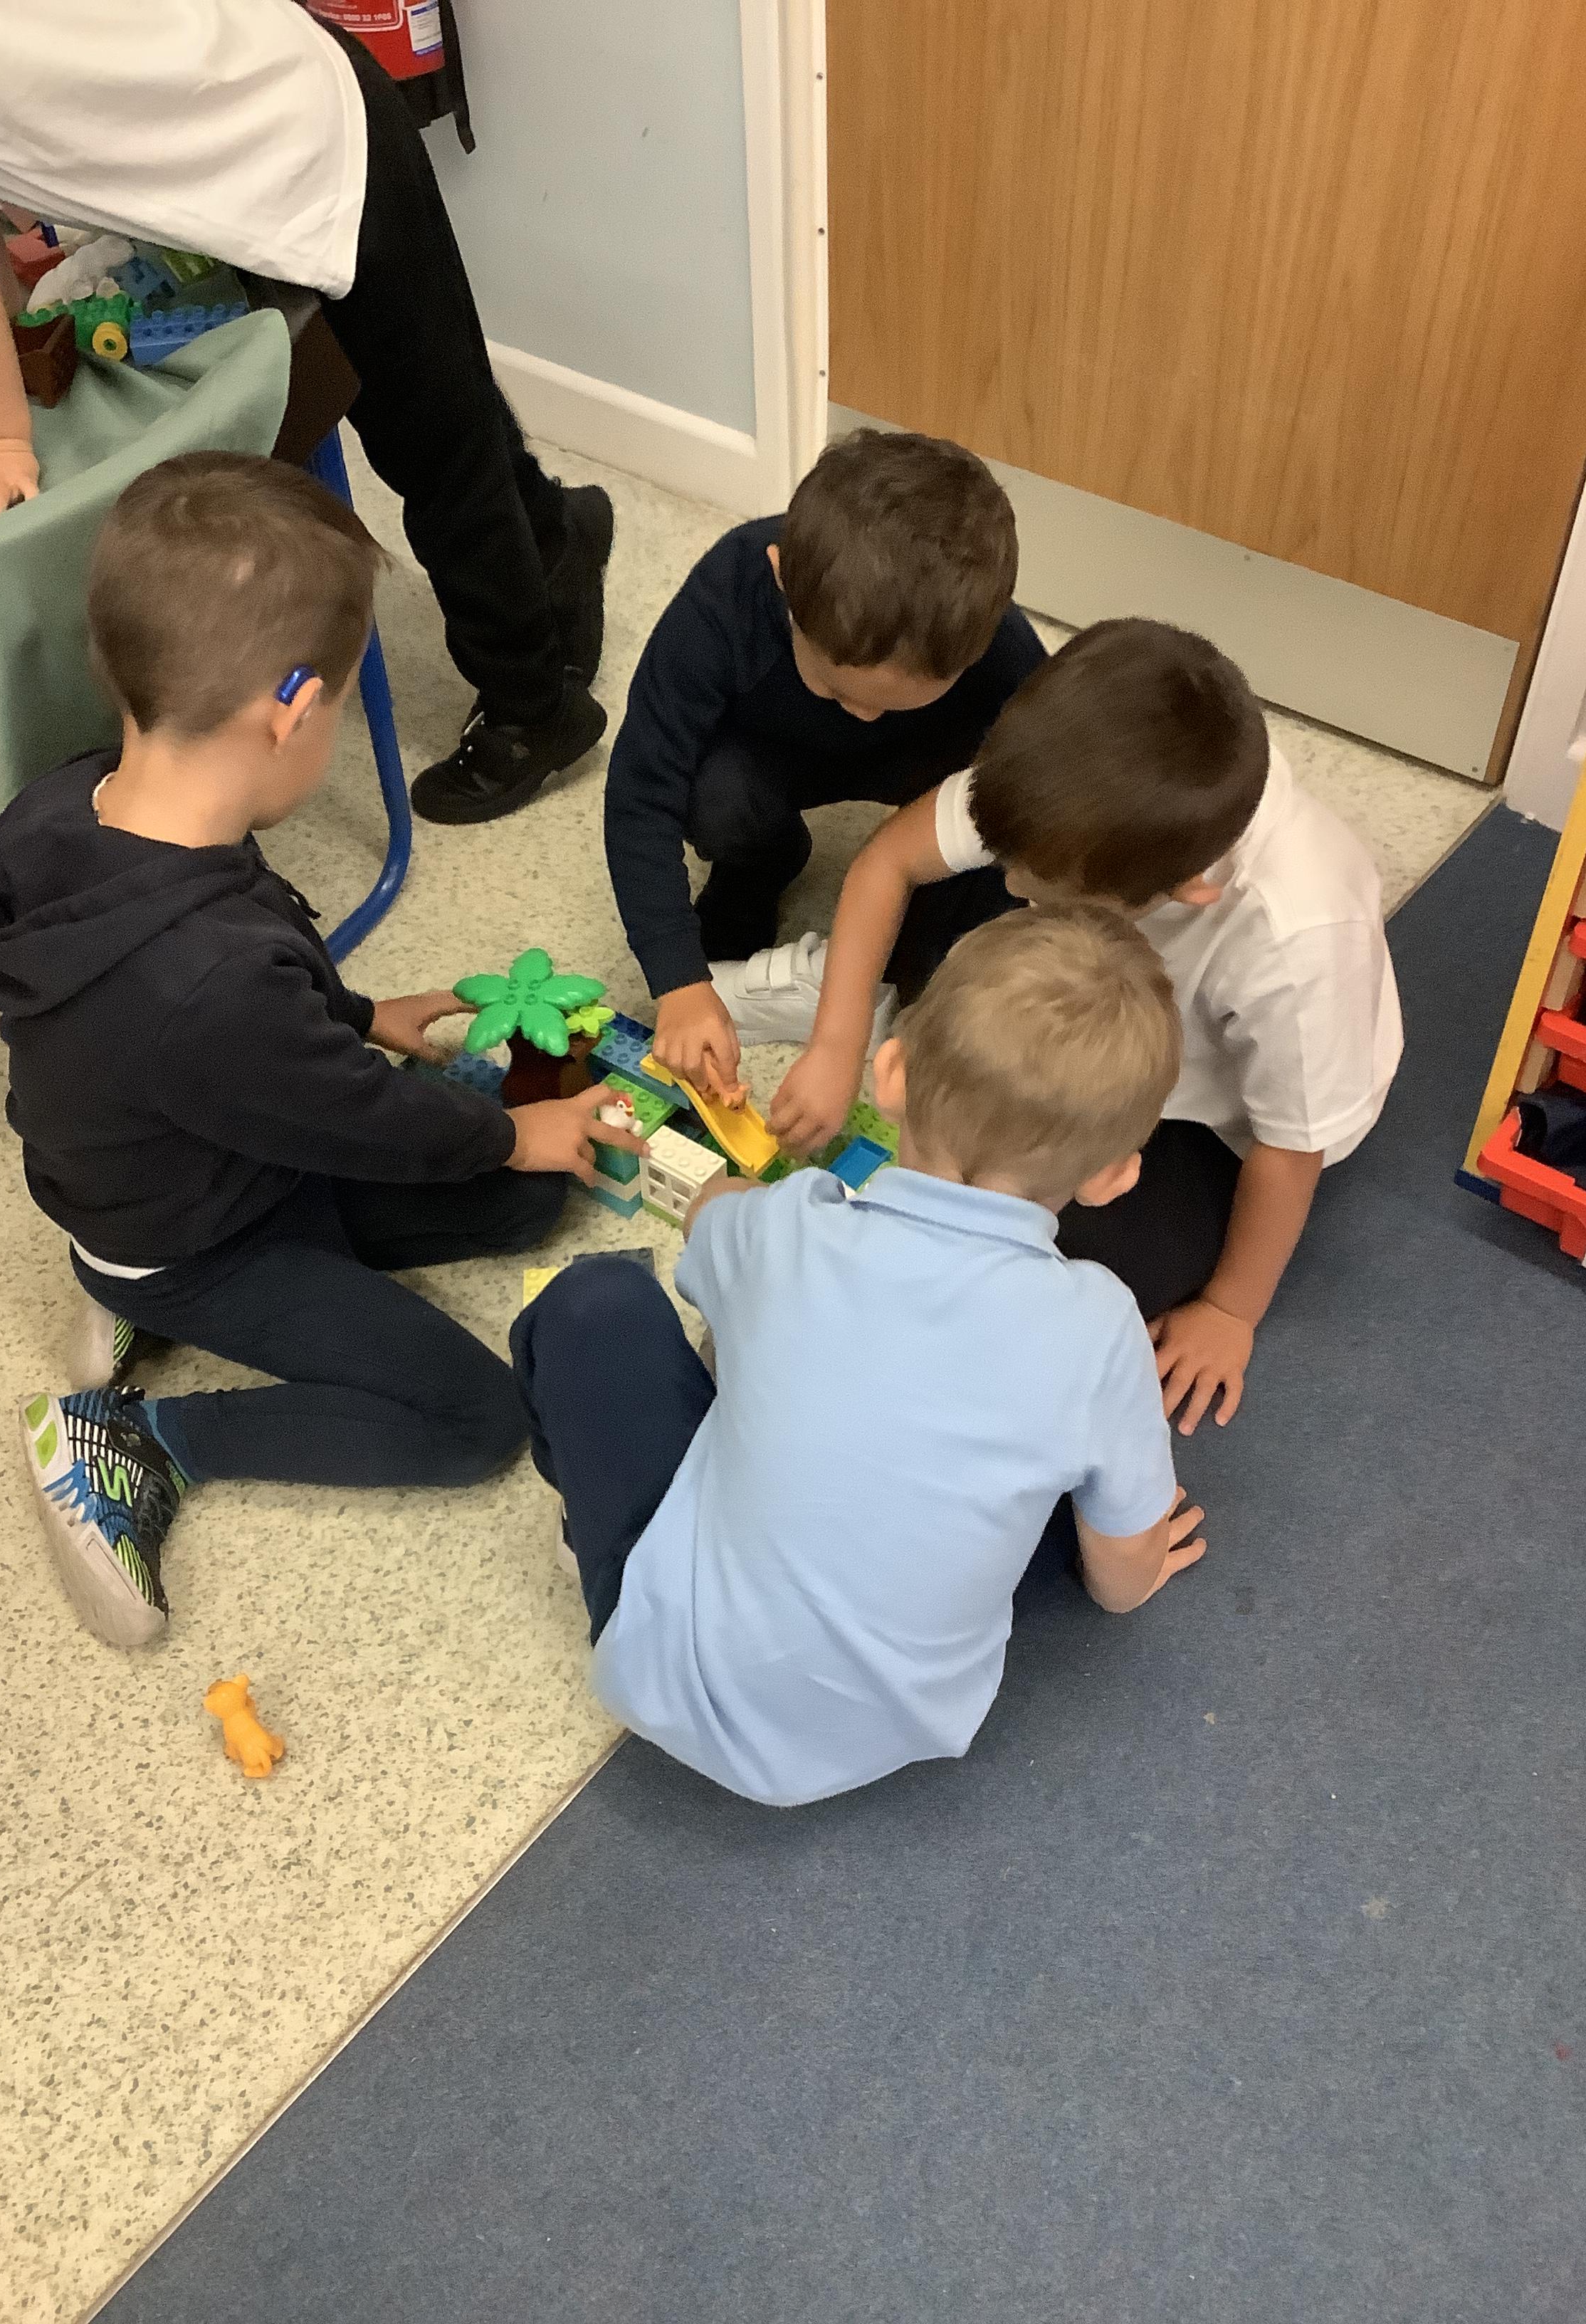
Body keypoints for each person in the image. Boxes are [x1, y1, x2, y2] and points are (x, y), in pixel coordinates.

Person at [0, 454, 644, 1651]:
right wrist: (504, 1126)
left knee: (528, 1196)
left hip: (194, 1155)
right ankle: (139, 1440)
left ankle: (125, 1301)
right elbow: (347, 1110)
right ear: (291, 709)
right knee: (476, 1416)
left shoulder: (82, 799)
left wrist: (357, 1013)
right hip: (199, 1241)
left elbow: (249, 989)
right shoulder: (207, 986)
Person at [511, 905, 1207, 1811]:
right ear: (1115, 1174)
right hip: (897, 1725)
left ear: (890, 1073)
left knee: (594, 1301)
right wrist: (1139, 1571)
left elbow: (707, 1216)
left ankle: (595, 1546)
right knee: (1045, 1479)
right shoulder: (1103, 1324)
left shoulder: (791, 1225)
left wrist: (741, 1193)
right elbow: (1118, 1585)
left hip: (666, 1672)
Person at [0, 0, 609, 817]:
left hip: (296, 142)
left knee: (430, 442)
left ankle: (534, 707)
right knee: (442, 385)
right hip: (283, 89)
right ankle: (555, 532)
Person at [770, 618, 1403, 1437]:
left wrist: (1230, 1310)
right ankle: (869, 989)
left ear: (1188, 890)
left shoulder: (1297, 940)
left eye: (1045, 887)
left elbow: (1290, 1150)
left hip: (1223, 1127)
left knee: (1059, 1271)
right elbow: (889, 859)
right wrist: (836, 1041)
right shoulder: (1080, 778)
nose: (1014, 888)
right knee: (950, 905)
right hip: (1094, 990)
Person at [603, 428, 1046, 1098]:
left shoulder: (1000, 649)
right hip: (768, 758)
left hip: (929, 772)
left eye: (897, 701)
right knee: (715, 795)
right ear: (782, 577)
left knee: (990, 851)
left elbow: (1043, 802)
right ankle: (760, 866)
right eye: (836, 689)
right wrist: (679, 980)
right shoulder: (728, 593)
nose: (863, 715)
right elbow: (642, 790)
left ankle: (924, 929)